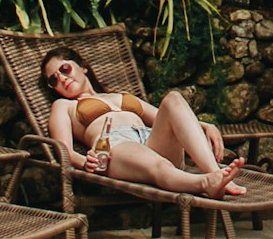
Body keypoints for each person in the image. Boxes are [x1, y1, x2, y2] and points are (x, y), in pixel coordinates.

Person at [40, 49, 246, 199]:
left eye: (64, 69)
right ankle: (205, 183)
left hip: (149, 137)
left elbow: (168, 118)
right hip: (116, 145)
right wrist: (85, 162)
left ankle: (214, 172)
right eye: (53, 80)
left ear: (83, 67)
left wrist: (206, 126)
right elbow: (63, 150)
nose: (62, 78)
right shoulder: (63, 106)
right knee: (158, 165)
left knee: (173, 98)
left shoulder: (122, 95)